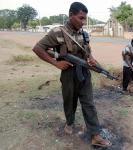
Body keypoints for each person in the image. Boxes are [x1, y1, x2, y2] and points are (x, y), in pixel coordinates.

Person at [32, 2, 111, 147]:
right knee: (70, 102)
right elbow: (37, 48)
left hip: (84, 72)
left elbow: (87, 50)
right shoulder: (58, 32)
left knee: (89, 103)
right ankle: (69, 123)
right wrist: (56, 63)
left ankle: (95, 135)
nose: (83, 22)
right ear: (71, 15)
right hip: (68, 73)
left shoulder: (84, 33)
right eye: (81, 18)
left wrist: (91, 58)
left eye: (84, 19)